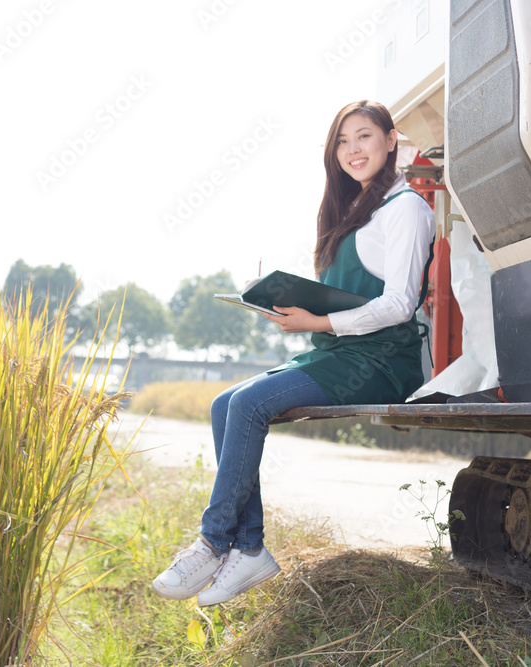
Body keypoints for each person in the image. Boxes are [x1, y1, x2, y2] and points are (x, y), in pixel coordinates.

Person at [151, 100, 435, 606]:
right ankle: (250, 547)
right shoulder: (351, 211)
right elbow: (343, 296)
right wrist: (286, 306)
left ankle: (215, 541)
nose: (353, 150)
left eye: (364, 137)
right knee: (225, 404)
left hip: (381, 361)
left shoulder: (407, 208)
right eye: (343, 142)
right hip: (337, 353)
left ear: (392, 141)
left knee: (247, 403)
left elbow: (399, 304)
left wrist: (317, 322)